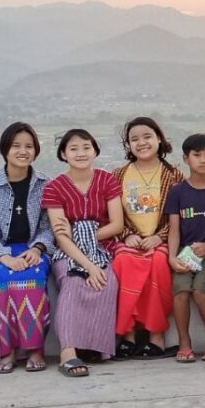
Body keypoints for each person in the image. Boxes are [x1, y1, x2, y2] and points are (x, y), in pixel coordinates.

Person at [43, 129, 124, 377]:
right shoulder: (54, 187)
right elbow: (61, 236)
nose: (81, 153)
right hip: (68, 252)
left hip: (103, 247)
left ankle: (95, 348)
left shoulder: (107, 180)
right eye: (74, 149)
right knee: (73, 282)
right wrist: (88, 265)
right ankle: (68, 352)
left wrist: (82, 232)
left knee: (107, 281)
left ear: (95, 151)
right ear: (63, 154)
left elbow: (117, 225)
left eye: (86, 147)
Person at [0, 122, 54, 374]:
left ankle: (35, 350)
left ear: (36, 150)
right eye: (16, 146)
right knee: (4, 280)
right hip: (0, 252)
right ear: (5, 149)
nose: (23, 151)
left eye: (29, 146)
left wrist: (38, 249)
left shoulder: (45, 184)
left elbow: (49, 225)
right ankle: (7, 352)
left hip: (32, 248)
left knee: (33, 279)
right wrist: (4, 257)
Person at [110, 117, 185, 360]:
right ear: (128, 145)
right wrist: (127, 235)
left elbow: (181, 213)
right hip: (129, 239)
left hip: (161, 240)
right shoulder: (118, 175)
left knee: (158, 262)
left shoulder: (173, 174)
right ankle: (128, 335)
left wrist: (159, 237)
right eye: (134, 139)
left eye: (147, 137)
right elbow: (111, 213)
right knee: (122, 261)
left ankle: (156, 336)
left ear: (159, 139)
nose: (141, 143)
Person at [164, 133, 205, 363]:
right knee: (180, 291)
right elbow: (174, 230)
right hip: (184, 253)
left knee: (200, 292)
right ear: (186, 159)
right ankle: (184, 342)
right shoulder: (177, 191)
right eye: (197, 155)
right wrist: (172, 257)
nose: (203, 160)